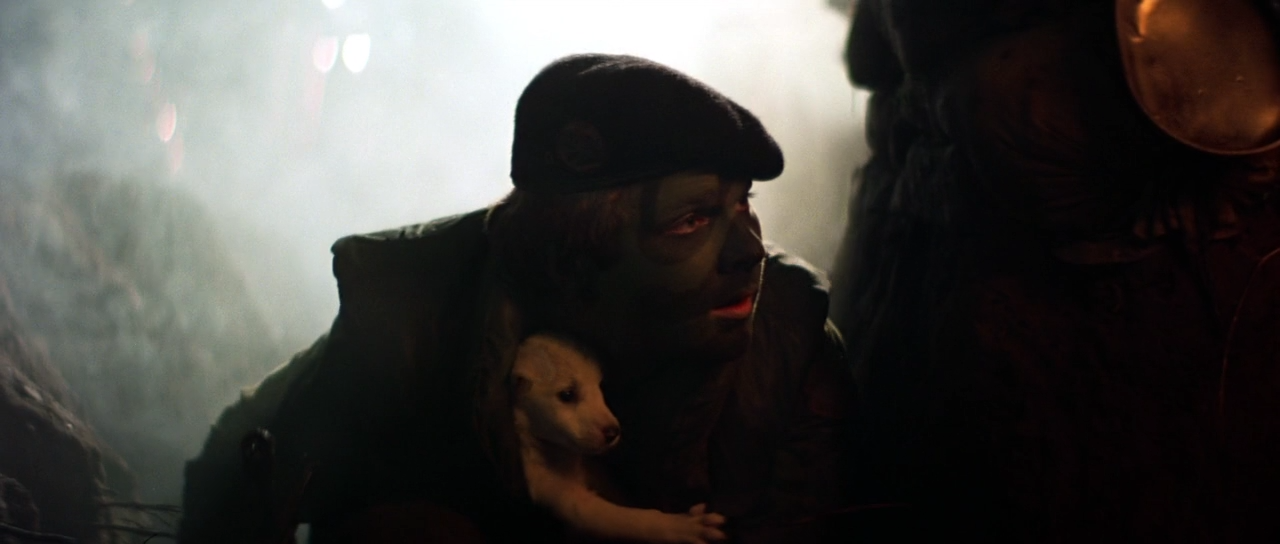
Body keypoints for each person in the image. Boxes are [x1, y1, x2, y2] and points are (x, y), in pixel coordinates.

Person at [178, 53, 855, 544]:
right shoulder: (418, 312)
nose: (749, 251)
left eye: (744, 205)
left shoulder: (788, 344)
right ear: (579, 252)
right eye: (691, 220)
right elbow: (242, 465)